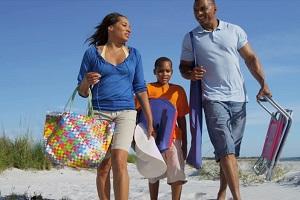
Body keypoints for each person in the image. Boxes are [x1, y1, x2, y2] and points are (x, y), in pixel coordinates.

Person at [179, 1, 272, 200]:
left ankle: (222, 192)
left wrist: (263, 83)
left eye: (203, 8)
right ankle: (238, 198)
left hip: (239, 98)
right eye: (195, 10)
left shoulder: (234, 30)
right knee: (227, 150)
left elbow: (251, 58)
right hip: (212, 98)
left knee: (229, 153)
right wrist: (190, 73)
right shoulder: (191, 38)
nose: (199, 13)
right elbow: (183, 68)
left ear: (215, 9)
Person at [77, 12, 154, 200]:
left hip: (126, 113)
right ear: (110, 28)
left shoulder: (134, 54)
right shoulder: (92, 53)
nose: (129, 29)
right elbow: (81, 91)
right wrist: (87, 81)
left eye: (130, 26)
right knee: (104, 166)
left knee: (120, 162)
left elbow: (140, 88)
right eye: (125, 25)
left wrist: (149, 119)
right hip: (100, 113)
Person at [142, 57, 189, 200]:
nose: (164, 74)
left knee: (177, 172)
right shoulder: (147, 89)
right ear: (154, 72)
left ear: (172, 72)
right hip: (152, 138)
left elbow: (181, 118)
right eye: (160, 71)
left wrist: (185, 142)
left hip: (174, 138)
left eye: (168, 71)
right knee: (153, 174)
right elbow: (138, 114)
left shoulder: (178, 91)